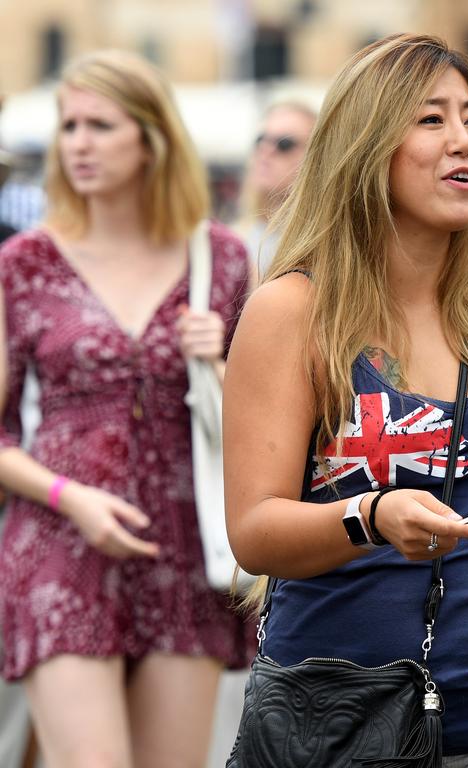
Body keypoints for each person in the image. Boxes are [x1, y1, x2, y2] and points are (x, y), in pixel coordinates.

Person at [223, 33, 468, 765]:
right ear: (366, 146)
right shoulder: (290, 314)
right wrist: (371, 516)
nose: (464, 142)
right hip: (341, 721)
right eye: (431, 120)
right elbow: (255, 532)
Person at [0, 50, 253, 768]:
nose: (77, 142)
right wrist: (66, 496)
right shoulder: (24, 264)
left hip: (184, 555)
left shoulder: (222, 259)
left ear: (151, 138)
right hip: (59, 544)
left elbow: (268, 427)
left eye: (100, 125)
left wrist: (222, 363)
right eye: (68, 125)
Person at [235, 100, 316, 277]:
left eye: (284, 144)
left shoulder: (321, 244)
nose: (266, 150)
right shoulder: (235, 238)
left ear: (315, 157)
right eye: (260, 140)